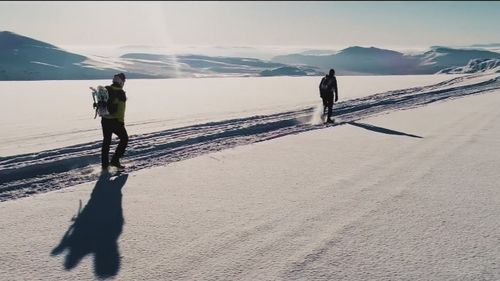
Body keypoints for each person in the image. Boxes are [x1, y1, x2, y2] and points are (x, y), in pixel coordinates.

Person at [100, 73, 128, 170]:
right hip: (115, 121)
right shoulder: (120, 92)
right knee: (124, 139)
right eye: (123, 81)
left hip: (104, 119)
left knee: (106, 141)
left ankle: (104, 165)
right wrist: (121, 122)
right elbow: (121, 109)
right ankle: (115, 160)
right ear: (121, 81)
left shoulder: (106, 89)